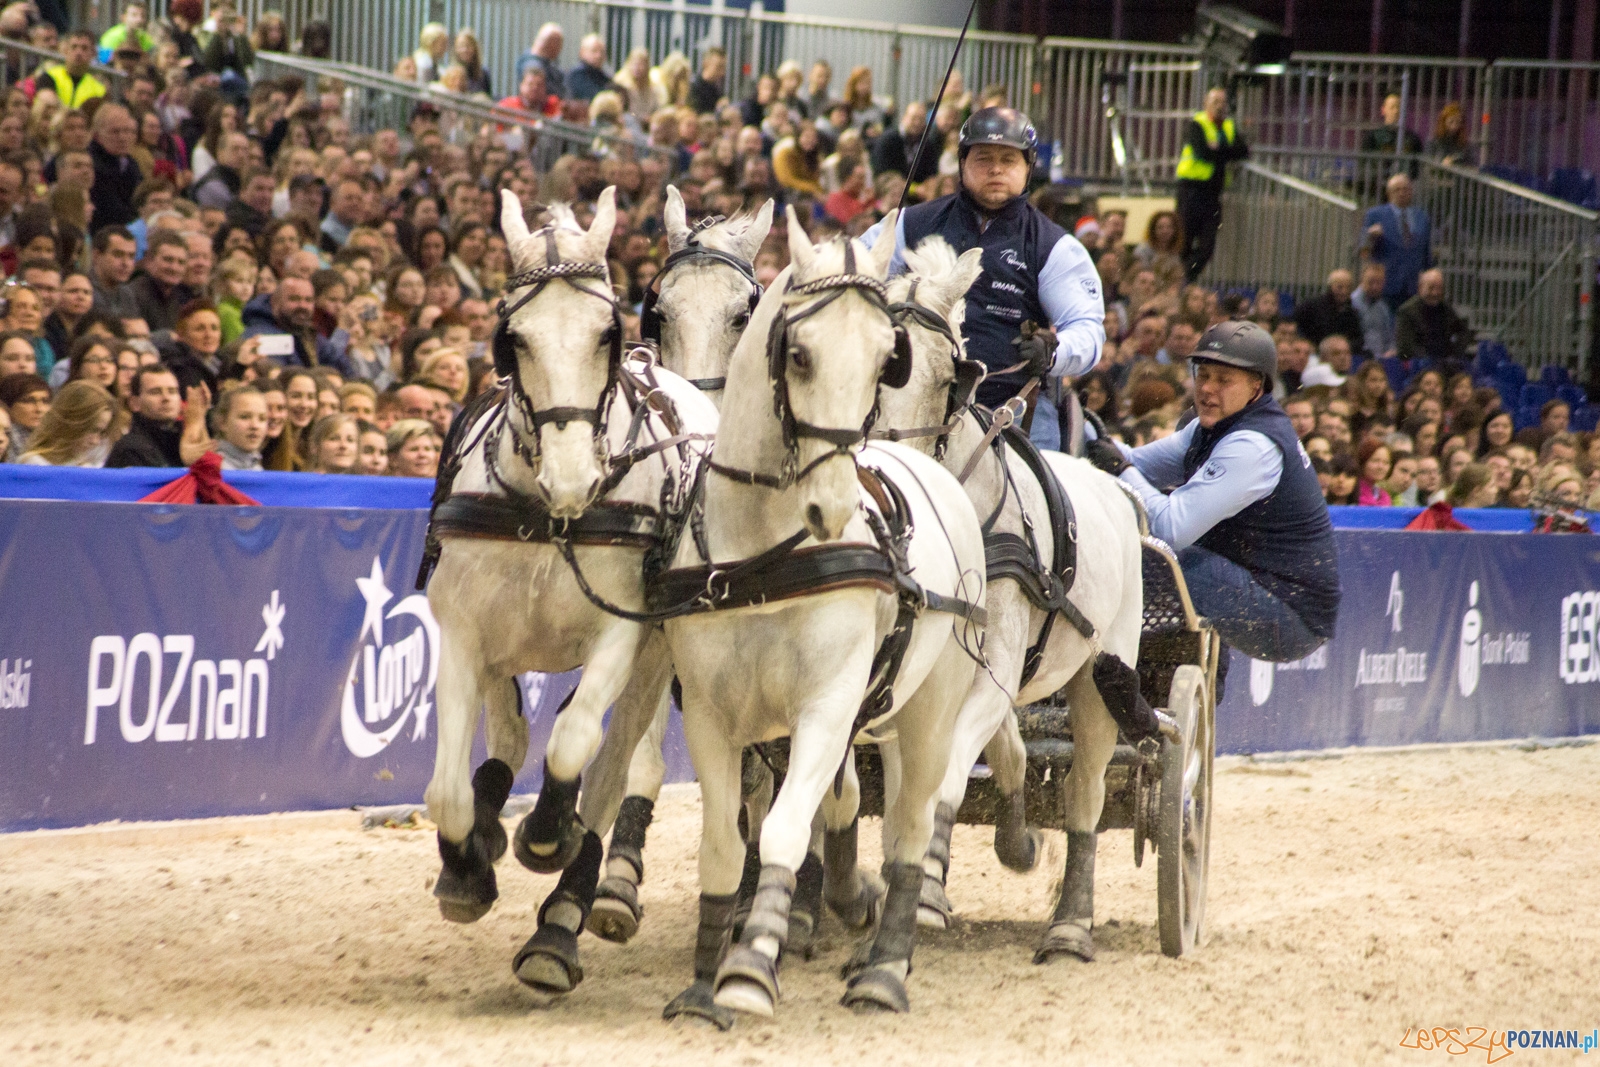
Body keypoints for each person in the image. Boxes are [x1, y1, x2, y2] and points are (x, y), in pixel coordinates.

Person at [1085, 321, 1341, 664]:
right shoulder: (1210, 426)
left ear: (1256, 387)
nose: (1207, 389)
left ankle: (1107, 660)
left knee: (1165, 559)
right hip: (1251, 583)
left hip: (1291, 617)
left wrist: (1117, 468)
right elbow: (1133, 463)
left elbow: (1170, 528)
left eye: (1223, 380)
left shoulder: (1252, 447)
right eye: (1203, 375)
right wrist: (1086, 433)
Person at [864, 107, 1104, 451]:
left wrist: (1052, 353)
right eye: (983, 158)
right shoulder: (910, 223)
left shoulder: (1055, 246)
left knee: (1047, 489)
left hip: (1012, 405)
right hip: (907, 399)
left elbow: (1088, 329)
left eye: (1008, 160)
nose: (995, 169)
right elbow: (853, 272)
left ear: (1028, 167)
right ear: (962, 163)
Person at [1174, 87, 1248, 282]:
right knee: (1185, 241)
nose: (1220, 106)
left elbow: (1243, 151)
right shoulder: (1197, 124)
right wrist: (1225, 151)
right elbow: (1203, 152)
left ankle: (1185, 278)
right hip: (1191, 189)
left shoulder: (1229, 126)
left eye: (1223, 102)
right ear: (1206, 103)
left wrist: (1218, 149)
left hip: (1212, 193)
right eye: (1215, 102)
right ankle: (1181, 281)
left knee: (1207, 246)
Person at [1363, 173, 1432, 309]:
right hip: (1386, 284)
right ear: (1389, 193)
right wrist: (1370, 237)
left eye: (1405, 189)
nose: (1401, 193)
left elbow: (1426, 251)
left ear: (1411, 192)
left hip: (1414, 286)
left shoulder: (1422, 217)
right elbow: (1364, 249)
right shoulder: (1375, 215)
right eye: (1397, 189)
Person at [16, 379, 115, 467]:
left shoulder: (89, 468)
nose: (95, 441)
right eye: (92, 430)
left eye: (101, 432)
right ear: (72, 421)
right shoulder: (32, 464)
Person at [106, 363, 187, 467]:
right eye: (155, 392)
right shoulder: (130, 450)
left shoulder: (183, 441)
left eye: (172, 391)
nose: (166, 398)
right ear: (135, 403)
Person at [1395, 269, 1472, 369]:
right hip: (1419, 365)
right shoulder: (1406, 312)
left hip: (1444, 362)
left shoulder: (1445, 308)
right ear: (1420, 288)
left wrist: (1455, 352)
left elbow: (1462, 331)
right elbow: (1405, 348)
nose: (1435, 293)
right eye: (1431, 288)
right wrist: (1429, 360)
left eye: (1439, 288)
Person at [126, 230, 196, 332]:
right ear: (149, 261)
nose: (174, 268)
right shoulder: (133, 295)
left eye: (181, 262)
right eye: (168, 260)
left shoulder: (180, 298)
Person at [89, 104, 142, 229]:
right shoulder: (92, 164)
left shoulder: (130, 163)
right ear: (97, 135)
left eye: (126, 131)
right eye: (115, 132)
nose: (122, 138)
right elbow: (112, 211)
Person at [870, 101, 938, 191]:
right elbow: (884, 174)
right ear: (904, 118)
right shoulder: (888, 140)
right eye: (913, 118)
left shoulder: (927, 144)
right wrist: (914, 189)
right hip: (890, 192)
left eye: (921, 119)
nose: (917, 123)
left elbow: (931, 173)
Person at [1293, 269, 1364, 353]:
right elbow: (1296, 325)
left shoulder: (1352, 312)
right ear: (1330, 286)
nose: (1344, 291)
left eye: (1348, 287)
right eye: (1340, 287)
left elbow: (1358, 339)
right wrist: (1307, 344)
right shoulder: (1312, 305)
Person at [41, 29, 107, 110]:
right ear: (66, 50)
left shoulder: (99, 90)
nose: (78, 52)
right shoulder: (49, 76)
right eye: (74, 47)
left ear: (93, 53)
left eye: (84, 48)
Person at [212, 383, 269, 470]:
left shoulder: (257, 468)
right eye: (244, 417)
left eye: (262, 418)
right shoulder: (213, 468)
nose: (255, 426)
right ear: (223, 422)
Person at [1351, 262, 1395, 358]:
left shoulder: (1383, 307)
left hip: (1382, 358)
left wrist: (1391, 351)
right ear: (1361, 280)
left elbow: (1388, 336)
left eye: (1379, 282)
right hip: (1359, 356)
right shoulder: (1351, 304)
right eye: (1370, 282)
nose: (1375, 287)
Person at [567, 34, 611, 103]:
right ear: (582, 52)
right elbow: (590, 97)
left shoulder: (605, 77)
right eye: (594, 51)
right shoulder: (577, 74)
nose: (598, 56)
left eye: (602, 52)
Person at [688, 47, 725, 115]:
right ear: (706, 64)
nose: (722, 72)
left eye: (724, 67)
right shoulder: (693, 87)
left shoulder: (716, 89)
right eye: (719, 67)